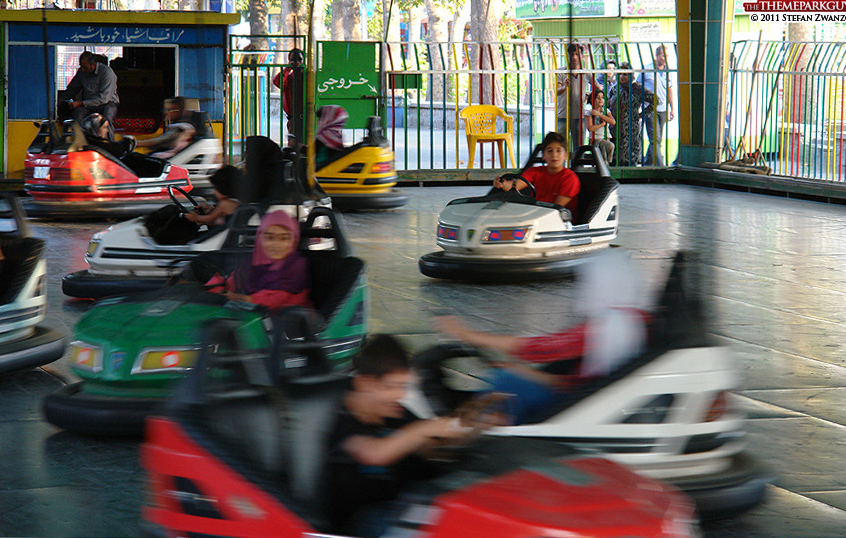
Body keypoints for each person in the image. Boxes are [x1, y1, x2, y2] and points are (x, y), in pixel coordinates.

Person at [434, 249, 647, 424]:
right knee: (507, 374)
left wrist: (466, 334)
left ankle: (477, 438)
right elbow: (572, 381)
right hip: (580, 393)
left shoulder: (608, 326)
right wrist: (518, 370)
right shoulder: (636, 318)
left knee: (504, 381)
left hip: (578, 406)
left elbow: (537, 349)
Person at [324, 334, 475, 536]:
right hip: (362, 523)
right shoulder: (340, 417)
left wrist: (473, 425)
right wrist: (424, 429)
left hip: (409, 503)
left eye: (403, 386)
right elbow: (373, 454)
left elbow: (434, 452)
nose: (400, 395)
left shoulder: (393, 411)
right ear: (364, 384)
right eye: (391, 387)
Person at [208, 210, 309, 310]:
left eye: (284, 238)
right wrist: (216, 287)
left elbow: (275, 301)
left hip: (289, 321)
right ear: (259, 239)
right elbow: (232, 281)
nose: (276, 244)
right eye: (270, 237)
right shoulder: (252, 261)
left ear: (294, 240)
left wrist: (236, 297)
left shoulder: (297, 265)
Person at [492, 132, 580, 214]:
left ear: (565, 155)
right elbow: (515, 186)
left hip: (560, 221)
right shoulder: (535, 172)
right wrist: (502, 184)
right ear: (543, 155)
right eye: (549, 151)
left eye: (558, 151)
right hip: (536, 214)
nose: (554, 155)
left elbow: (557, 209)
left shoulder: (570, 178)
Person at [58, 51, 119, 139]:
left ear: (93, 64)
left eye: (85, 67)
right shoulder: (82, 72)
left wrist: (80, 103)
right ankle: (80, 142)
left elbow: (104, 99)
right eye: (81, 67)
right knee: (78, 115)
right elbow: (72, 89)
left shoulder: (107, 73)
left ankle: (110, 144)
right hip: (88, 105)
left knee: (106, 118)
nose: (83, 70)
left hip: (107, 104)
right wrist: (59, 101)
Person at [608, 62, 656, 167]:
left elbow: (655, 100)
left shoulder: (637, 88)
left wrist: (642, 114)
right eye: (620, 74)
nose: (622, 77)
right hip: (615, 125)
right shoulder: (615, 88)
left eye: (625, 74)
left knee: (629, 152)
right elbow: (608, 103)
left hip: (631, 126)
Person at [637, 45, 674, 166]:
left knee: (658, 139)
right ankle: (660, 165)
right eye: (662, 55)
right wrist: (641, 102)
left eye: (666, 56)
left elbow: (669, 89)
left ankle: (647, 162)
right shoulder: (647, 69)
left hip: (663, 109)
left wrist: (672, 108)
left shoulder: (668, 71)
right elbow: (637, 85)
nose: (664, 58)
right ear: (657, 55)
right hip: (650, 108)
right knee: (655, 138)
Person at [556, 44, 590, 148]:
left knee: (578, 148)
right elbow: (556, 91)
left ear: (582, 56)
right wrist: (565, 87)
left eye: (577, 54)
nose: (574, 57)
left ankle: (577, 165)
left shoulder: (586, 73)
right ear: (567, 56)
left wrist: (587, 96)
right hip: (563, 115)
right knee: (560, 147)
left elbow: (598, 88)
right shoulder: (561, 72)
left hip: (579, 115)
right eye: (572, 54)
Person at [272, 49, 305, 146]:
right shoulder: (288, 78)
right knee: (293, 147)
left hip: (308, 119)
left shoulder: (309, 77)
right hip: (294, 120)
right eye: (293, 60)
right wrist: (287, 68)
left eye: (299, 59)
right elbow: (277, 82)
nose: (296, 62)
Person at [585, 89, 616, 164]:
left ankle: (607, 163)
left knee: (610, 146)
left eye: (602, 97)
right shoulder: (589, 113)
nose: (601, 100)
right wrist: (601, 125)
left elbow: (613, 122)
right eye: (598, 98)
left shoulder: (605, 111)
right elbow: (590, 128)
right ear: (593, 100)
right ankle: (604, 165)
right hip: (596, 139)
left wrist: (600, 115)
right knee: (603, 151)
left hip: (606, 137)